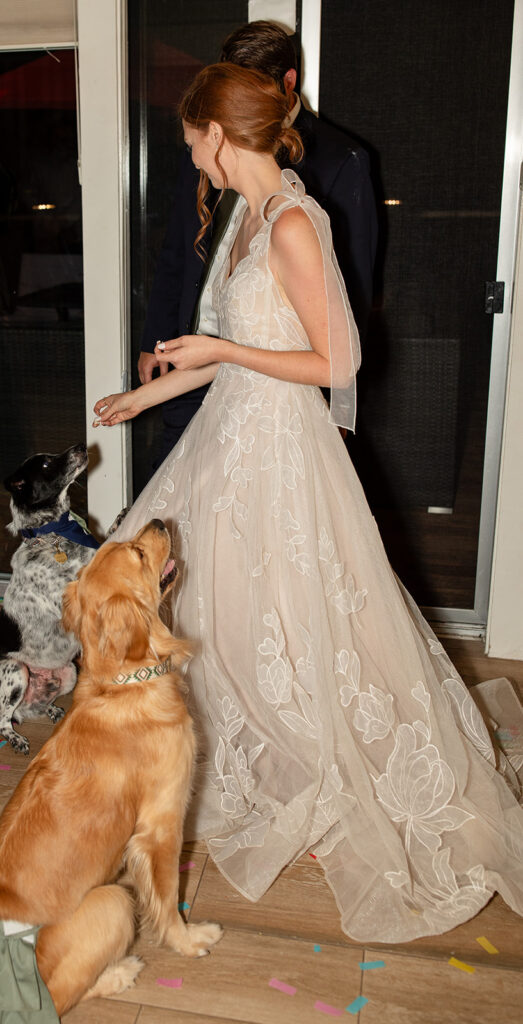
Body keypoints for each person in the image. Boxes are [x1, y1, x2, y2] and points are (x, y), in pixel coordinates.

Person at [92, 63, 523, 943]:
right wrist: (151, 396)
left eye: (190, 144)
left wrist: (220, 348)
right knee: (236, 615)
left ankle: (330, 770)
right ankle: (273, 764)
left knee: (303, 617)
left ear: (219, 133)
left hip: (282, 451)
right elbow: (244, 344)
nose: (191, 161)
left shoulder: (292, 222)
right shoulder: (249, 215)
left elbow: (338, 365)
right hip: (228, 432)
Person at [138, 20, 377, 471]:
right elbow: (177, 255)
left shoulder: (333, 168)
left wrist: (336, 405)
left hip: (277, 405)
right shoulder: (223, 175)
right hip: (201, 375)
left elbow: (347, 299)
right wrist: (158, 354)